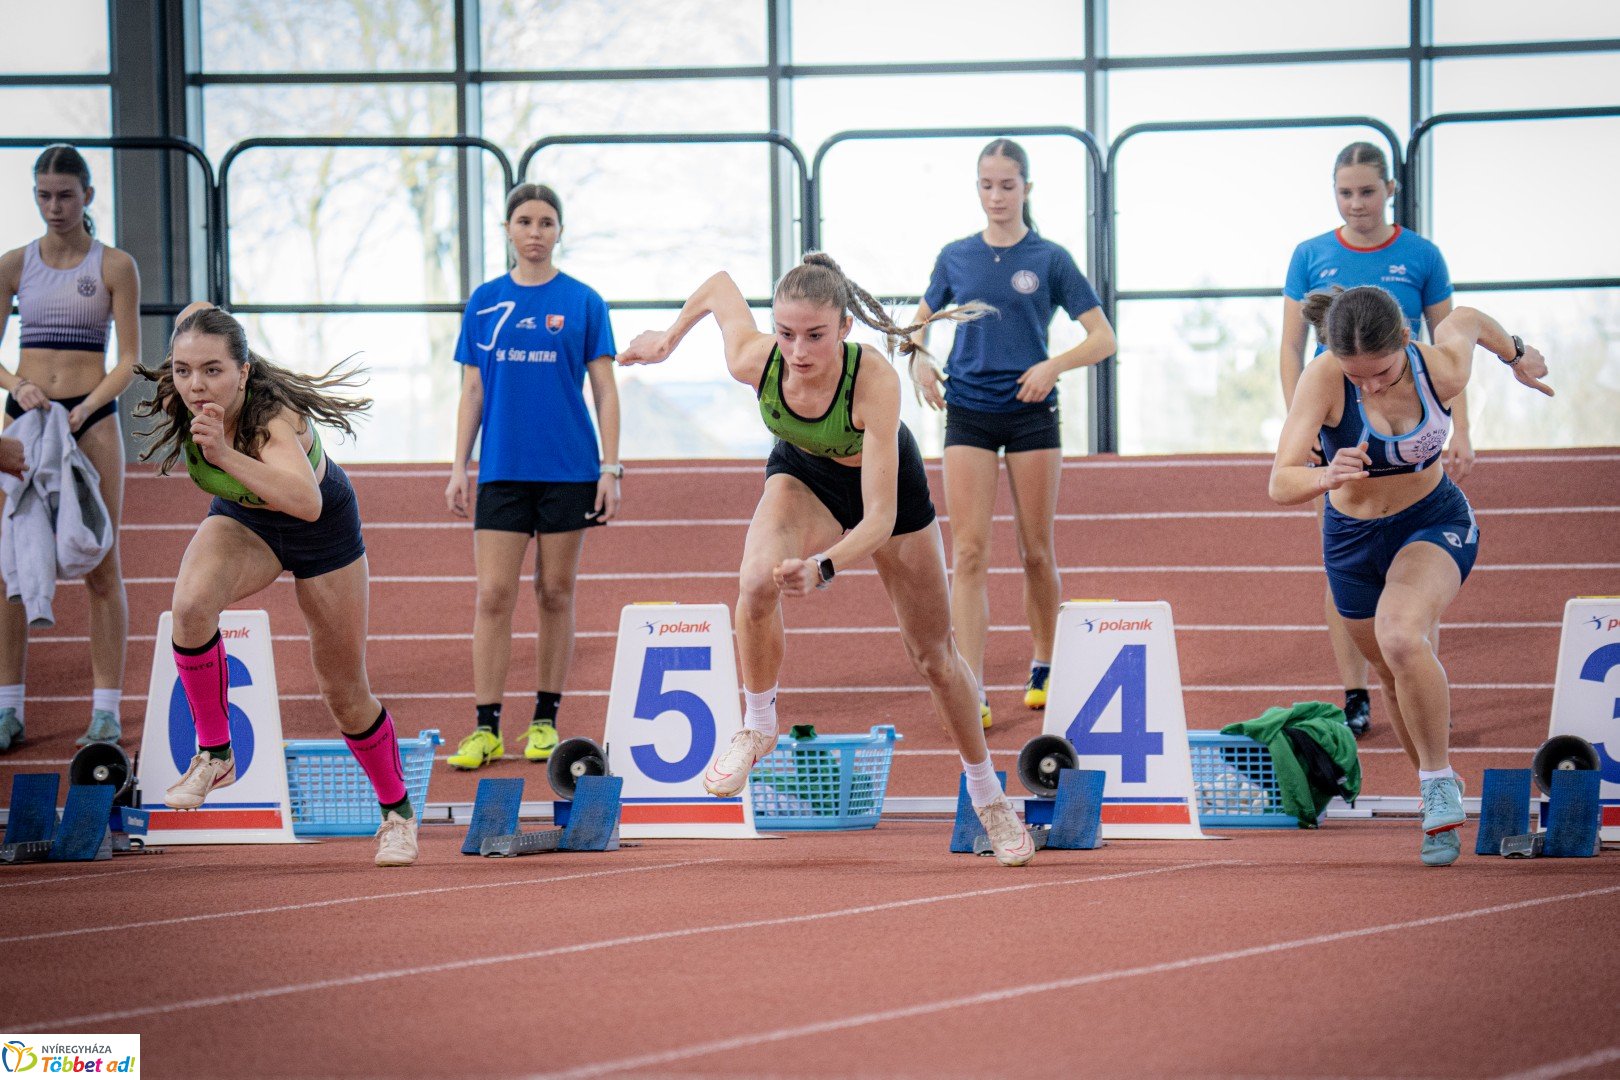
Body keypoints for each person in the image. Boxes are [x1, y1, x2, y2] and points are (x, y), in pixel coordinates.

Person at [619, 252, 1038, 866]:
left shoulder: (873, 383)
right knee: (754, 581)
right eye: (785, 334)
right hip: (802, 480)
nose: (798, 351)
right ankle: (758, 722)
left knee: (933, 656)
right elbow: (718, 285)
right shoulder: (755, 361)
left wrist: (824, 567)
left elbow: (878, 519)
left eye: (815, 335)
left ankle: (987, 794)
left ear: (845, 328)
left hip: (885, 495)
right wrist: (667, 339)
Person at [1269, 285, 1551, 866]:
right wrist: (1324, 477)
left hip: (1432, 521)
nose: (1369, 385)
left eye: (1382, 374)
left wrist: (1517, 354)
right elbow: (1280, 481)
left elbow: (1468, 318)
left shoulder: (1439, 368)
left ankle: (1442, 783)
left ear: (1404, 339)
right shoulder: (1324, 378)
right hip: (1351, 541)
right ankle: (1431, 786)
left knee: (1401, 635)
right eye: (1357, 376)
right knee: (1388, 671)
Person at [136, 303, 419, 867]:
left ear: (243, 372)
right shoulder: (182, 391)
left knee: (343, 691)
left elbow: (306, 503)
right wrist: (199, 316)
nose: (196, 384)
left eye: (213, 370)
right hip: (247, 519)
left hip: (321, 528)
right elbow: (196, 317)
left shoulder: (271, 420)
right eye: (184, 369)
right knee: (190, 605)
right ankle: (215, 752)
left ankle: (398, 814)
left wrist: (220, 453)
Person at [910, 138, 1115, 728]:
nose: (996, 196)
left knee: (1035, 551)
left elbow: (1103, 338)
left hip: (1031, 413)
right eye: (986, 185)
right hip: (969, 410)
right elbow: (915, 330)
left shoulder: (1049, 259)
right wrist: (919, 360)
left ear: (1026, 188)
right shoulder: (955, 257)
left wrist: (1053, 366)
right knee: (969, 553)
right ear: (976, 189)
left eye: (1007, 185)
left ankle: (1046, 662)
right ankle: (969, 681)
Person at [1281, 141, 1467, 739]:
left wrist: (1464, 429)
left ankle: (1418, 674)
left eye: (1366, 190)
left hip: (1408, 414)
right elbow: (1290, 347)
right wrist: (1306, 434)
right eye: (1344, 192)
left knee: (1407, 611)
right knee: (1347, 559)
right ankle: (1356, 689)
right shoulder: (1311, 254)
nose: (1356, 203)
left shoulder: (1421, 254)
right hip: (1338, 425)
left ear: (1389, 190)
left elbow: (1448, 344)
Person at [444, 183, 621, 771]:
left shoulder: (584, 302)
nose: (536, 231)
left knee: (554, 592)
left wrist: (610, 467)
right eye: (525, 221)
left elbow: (605, 391)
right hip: (501, 471)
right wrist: (458, 466)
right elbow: (472, 390)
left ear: (559, 231)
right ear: (508, 230)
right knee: (493, 595)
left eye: (547, 222)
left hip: (569, 470)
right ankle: (486, 728)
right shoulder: (486, 302)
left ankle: (544, 720)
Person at [0, 144, 140, 752]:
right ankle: (8, 708)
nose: (54, 206)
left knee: (101, 565)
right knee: (13, 569)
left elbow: (130, 358)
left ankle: (105, 711)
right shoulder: (13, 265)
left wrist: (85, 406)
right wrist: (19, 386)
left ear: (87, 196)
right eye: (43, 195)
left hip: (92, 420)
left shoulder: (114, 266)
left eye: (65, 194)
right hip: (27, 420)